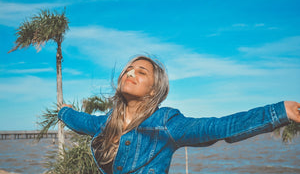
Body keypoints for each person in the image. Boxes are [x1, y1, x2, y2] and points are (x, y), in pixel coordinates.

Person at [58, 55, 300, 174]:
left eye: (141, 72)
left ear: (153, 89)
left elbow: (220, 127)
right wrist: (63, 112)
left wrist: (280, 111)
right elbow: (81, 121)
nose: (130, 73)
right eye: (128, 69)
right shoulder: (107, 123)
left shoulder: (166, 124)